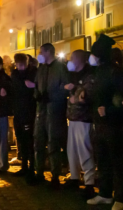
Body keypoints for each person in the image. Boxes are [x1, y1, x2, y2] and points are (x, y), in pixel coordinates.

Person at [87, 34, 123, 210]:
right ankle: (105, 194)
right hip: (99, 125)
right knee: (102, 161)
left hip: (114, 126)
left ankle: (121, 198)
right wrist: (84, 95)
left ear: (100, 55)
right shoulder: (98, 71)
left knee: (118, 163)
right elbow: (96, 94)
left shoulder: (115, 72)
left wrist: (110, 110)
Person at [34, 43, 68, 189]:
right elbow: (36, 85)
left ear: (49, 52)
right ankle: (39, 172)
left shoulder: (60, 67)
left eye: (42, 51)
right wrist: (37, 95)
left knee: (53, 143)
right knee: (38, 141)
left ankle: (55, 176)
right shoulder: (41, 68)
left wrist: (53, 96)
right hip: (41, 111)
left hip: (54, 111)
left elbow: (65, 86)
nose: (40, 53)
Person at [64, 50, 95, 199]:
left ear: (79, 61)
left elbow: (85, 96)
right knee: (72, 151)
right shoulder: (74, 75)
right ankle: (74, 178)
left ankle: (89, 184)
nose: (69, 60)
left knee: (85, 152)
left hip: (84, 119)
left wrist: (75, 96)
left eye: (71, 58)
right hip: (73, 119)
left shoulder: (89, 76)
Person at [11, 53, 37, 185]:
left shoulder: (33, 73)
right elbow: (19, 87)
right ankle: (24, 166)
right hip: (19, 112)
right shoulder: (15, 74)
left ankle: (31, 168)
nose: (20, 67)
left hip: (29, 112)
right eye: (18, 65)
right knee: (21, 140)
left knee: (29, 141)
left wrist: (31, 86)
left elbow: (30, 89)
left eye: (23, 65)